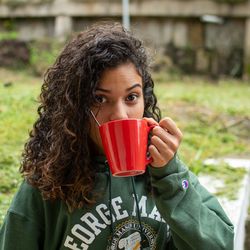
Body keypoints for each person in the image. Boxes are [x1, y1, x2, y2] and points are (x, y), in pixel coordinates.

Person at [0, 22, 234, 250]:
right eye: (100, 99)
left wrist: (169, 176)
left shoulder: (164, 174)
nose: (121, 116)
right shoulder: (47, 184)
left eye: (131, 97)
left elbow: (220, 244)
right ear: (75, 107)